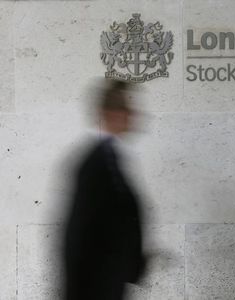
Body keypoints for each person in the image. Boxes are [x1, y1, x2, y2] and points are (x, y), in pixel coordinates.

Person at [63, 80, 146, 300]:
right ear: (110, 114)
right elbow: (78, 234)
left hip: (108, 283)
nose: (134, 115)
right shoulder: (96, 163)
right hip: (96, 287)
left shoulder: (110, 159)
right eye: (127, 109)